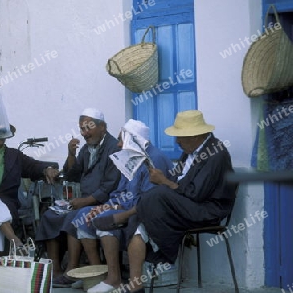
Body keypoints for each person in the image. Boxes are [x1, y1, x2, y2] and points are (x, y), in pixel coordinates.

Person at [93, 110, 237, 293]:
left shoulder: (216, 153)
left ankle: (128, 214)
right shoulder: (190, 151)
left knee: (158, 193)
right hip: (185, 205)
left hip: (206, 211)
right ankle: (136, 285)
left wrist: (164, 181)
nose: (177, 142)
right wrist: (165, 182)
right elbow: (178, 183)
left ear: (195, 136)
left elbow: (196, 194)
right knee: (142, 219)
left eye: (180, 137)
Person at [70, 119, 173, 293]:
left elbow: (148, 200)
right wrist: (104, 206)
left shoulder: (154, 159)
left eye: (121, 139)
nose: (118, 144)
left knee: (105, 218)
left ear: (133, 140)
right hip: (126, 207)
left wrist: (113, 209)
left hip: (146, 212)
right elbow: (120, 192)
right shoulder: (132, 158)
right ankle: (99, 276)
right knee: (84, 216)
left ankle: (115, 279)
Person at [35, 108, 121, 288]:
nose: (84, 133)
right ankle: (56, 269)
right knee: (50, 216)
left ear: (102, 127)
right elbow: (73, 175)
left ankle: (72, 270)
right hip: (83, 201)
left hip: (102, 202)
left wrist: (86, 201)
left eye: (88, 128)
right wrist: (71, 155)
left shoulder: (113, 147)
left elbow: (110, 186)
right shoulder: (87, 149)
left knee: (76, 216)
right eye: (82, 129)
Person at [0, 124, 60, 262]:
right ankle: (14, 241)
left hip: (6, 204)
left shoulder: (14, 155)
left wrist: (46, 169)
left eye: (2, 133)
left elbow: (32, 166)